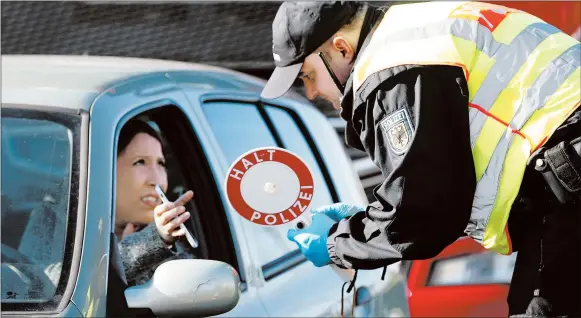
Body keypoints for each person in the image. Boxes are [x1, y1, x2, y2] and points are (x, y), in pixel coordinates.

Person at [261, 1, 581, 317]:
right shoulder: (413, 30)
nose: (312, 93)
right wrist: (374, 219)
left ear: (342, 49)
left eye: (307, 76)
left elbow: (425, 211)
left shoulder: (389, 67)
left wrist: (339, 243)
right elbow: (440, 189)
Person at [115, 119, 196, 286]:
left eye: (161, 164)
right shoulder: (59, 232)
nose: (157, 180)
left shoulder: (171, 250)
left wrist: (158, 239)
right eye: (140, 162)